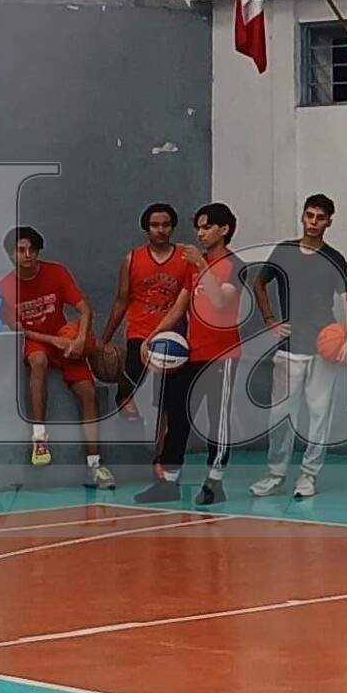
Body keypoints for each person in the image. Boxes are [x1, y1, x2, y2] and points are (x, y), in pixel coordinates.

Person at [134, 203, 246, 507]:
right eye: (198, 226)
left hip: (222, 355)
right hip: (190, 354)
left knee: (216, 421)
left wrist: (202, 264)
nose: (200, 232)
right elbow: (180, 306)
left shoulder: (234, 265)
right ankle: (168, 482)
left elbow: (221, 300)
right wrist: (152, 335)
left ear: (223, 230)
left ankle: (215, 481)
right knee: (178, 416)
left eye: (207, 226)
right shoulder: (194, 267)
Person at [247, 194, 347, 499]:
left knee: (320, 413)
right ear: (302, 217)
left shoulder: (335, 258)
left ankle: (309, 475)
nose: (313, 222)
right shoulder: (285, 251)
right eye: (309, 216)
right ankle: (275, 473)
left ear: (329, 222)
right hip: (290, 345)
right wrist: (270, 319)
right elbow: (259, 282)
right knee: (279, 413)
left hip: (325, 348)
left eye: (320, 218)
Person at [0, 226, 113, 489]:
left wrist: (81, 339)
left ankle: (94, 465)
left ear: (38, 252)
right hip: (37, 341)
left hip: (66, 340)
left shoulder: (56, 271)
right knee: (38, 360)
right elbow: (20, 330)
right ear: (10, 255)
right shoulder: (4, 287)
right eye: (20, 250)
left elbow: (84, 308)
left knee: (88, 391)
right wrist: (54, 341)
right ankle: (39, 437)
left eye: (31, 250)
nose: (27, 255)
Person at [102, 204, 190, 426]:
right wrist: (104, 340)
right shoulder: (132, 259)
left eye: (166, 225)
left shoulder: (185, 258)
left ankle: (161, 450)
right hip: (140, 331)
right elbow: (121, 301)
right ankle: (125, 394)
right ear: (146, 228)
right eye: (155, 225)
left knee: (168, 399)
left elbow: (191, 300)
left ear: (173, 227)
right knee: (134, 371)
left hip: (173, 333)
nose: (160, 230)